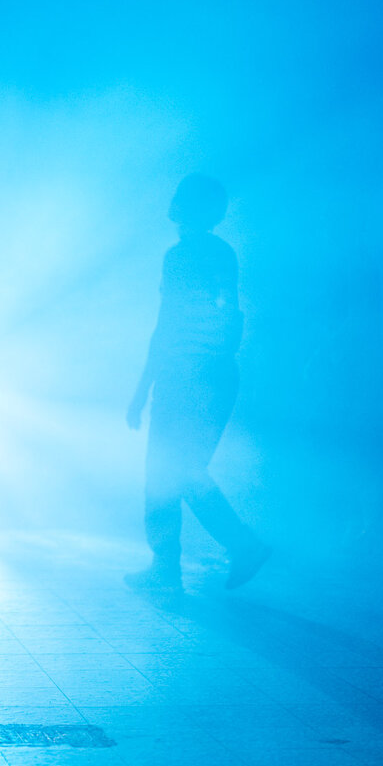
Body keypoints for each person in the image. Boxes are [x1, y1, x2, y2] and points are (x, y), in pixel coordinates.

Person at [125, 174, 271, 592]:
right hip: (213, 376)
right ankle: (223, 551)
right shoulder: (223, 254)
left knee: (168, 472)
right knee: (185, 470)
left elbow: (166, 325)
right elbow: (230, 318)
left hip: (185, 377)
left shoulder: (180, 256)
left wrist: (142, 389)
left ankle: (176, 562)